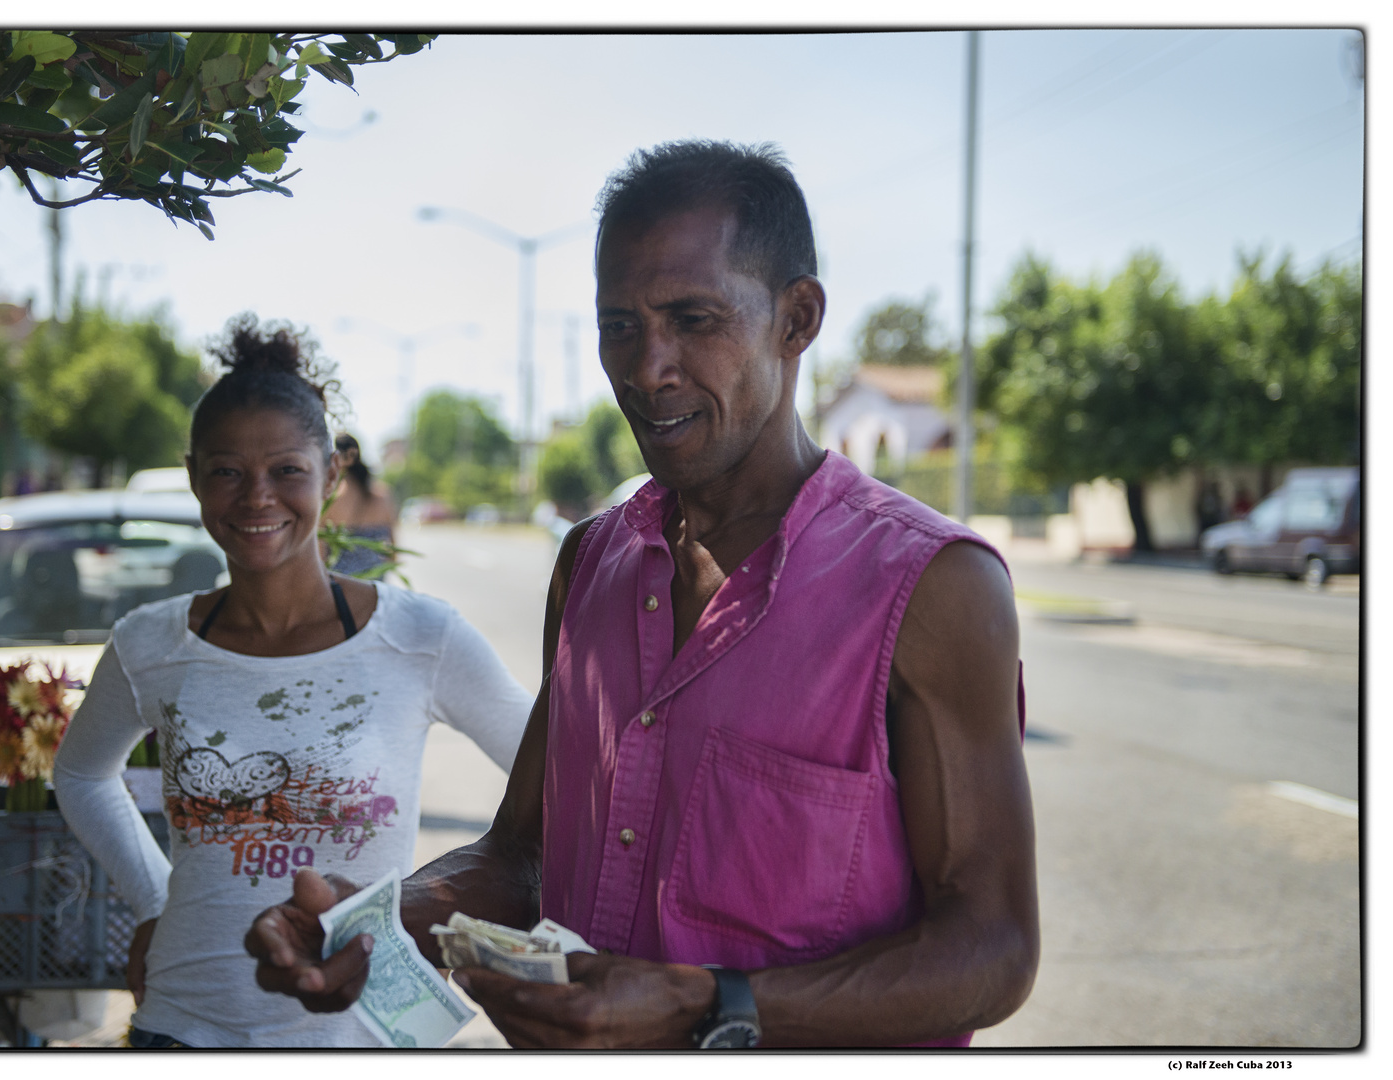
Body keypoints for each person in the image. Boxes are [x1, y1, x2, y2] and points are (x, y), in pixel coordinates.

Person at [245, 141, 1038, 1048]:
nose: (647, 366)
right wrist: (378, 923)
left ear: (798, 318)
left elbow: (994, 950)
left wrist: (709, 1004)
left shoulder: (932, 586)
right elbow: (522, 853)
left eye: (693, 319)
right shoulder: (589, 562)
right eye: (618, 325)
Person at [53, 314, 532, 1048]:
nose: (257, 498)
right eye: (226, 472)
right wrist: (153, 901)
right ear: (193, 477)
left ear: (331, 474)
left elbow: (557, 788)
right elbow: (82, 774)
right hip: (184, 1026)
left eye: (286, 470)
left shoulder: (420, 639)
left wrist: (431, 906)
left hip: (361, 1035)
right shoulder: (150, 645)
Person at [322, 433, 399, 577]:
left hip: (342, 584)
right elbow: (393, 548)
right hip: (375, 582)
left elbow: (321, 555)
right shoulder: (383, 495)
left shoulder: (331, 500)